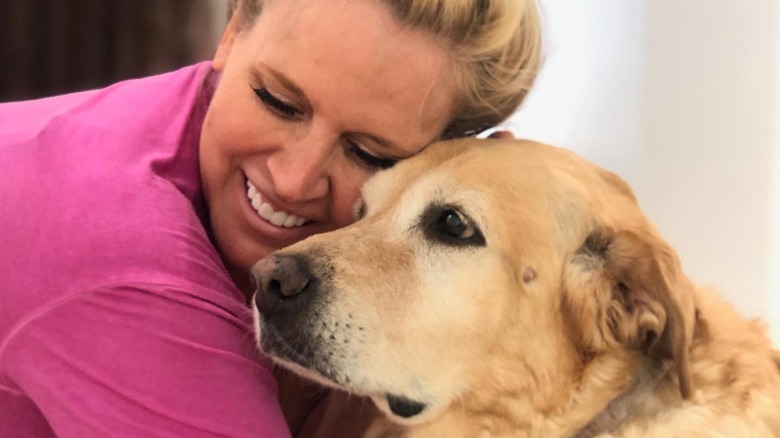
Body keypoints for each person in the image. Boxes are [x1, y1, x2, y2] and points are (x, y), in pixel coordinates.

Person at [0, 0, 541, 436]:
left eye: (370, 154)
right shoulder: (124, 260)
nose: (293, 179)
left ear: (444, 160)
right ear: (231, 33)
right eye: (278, 101)